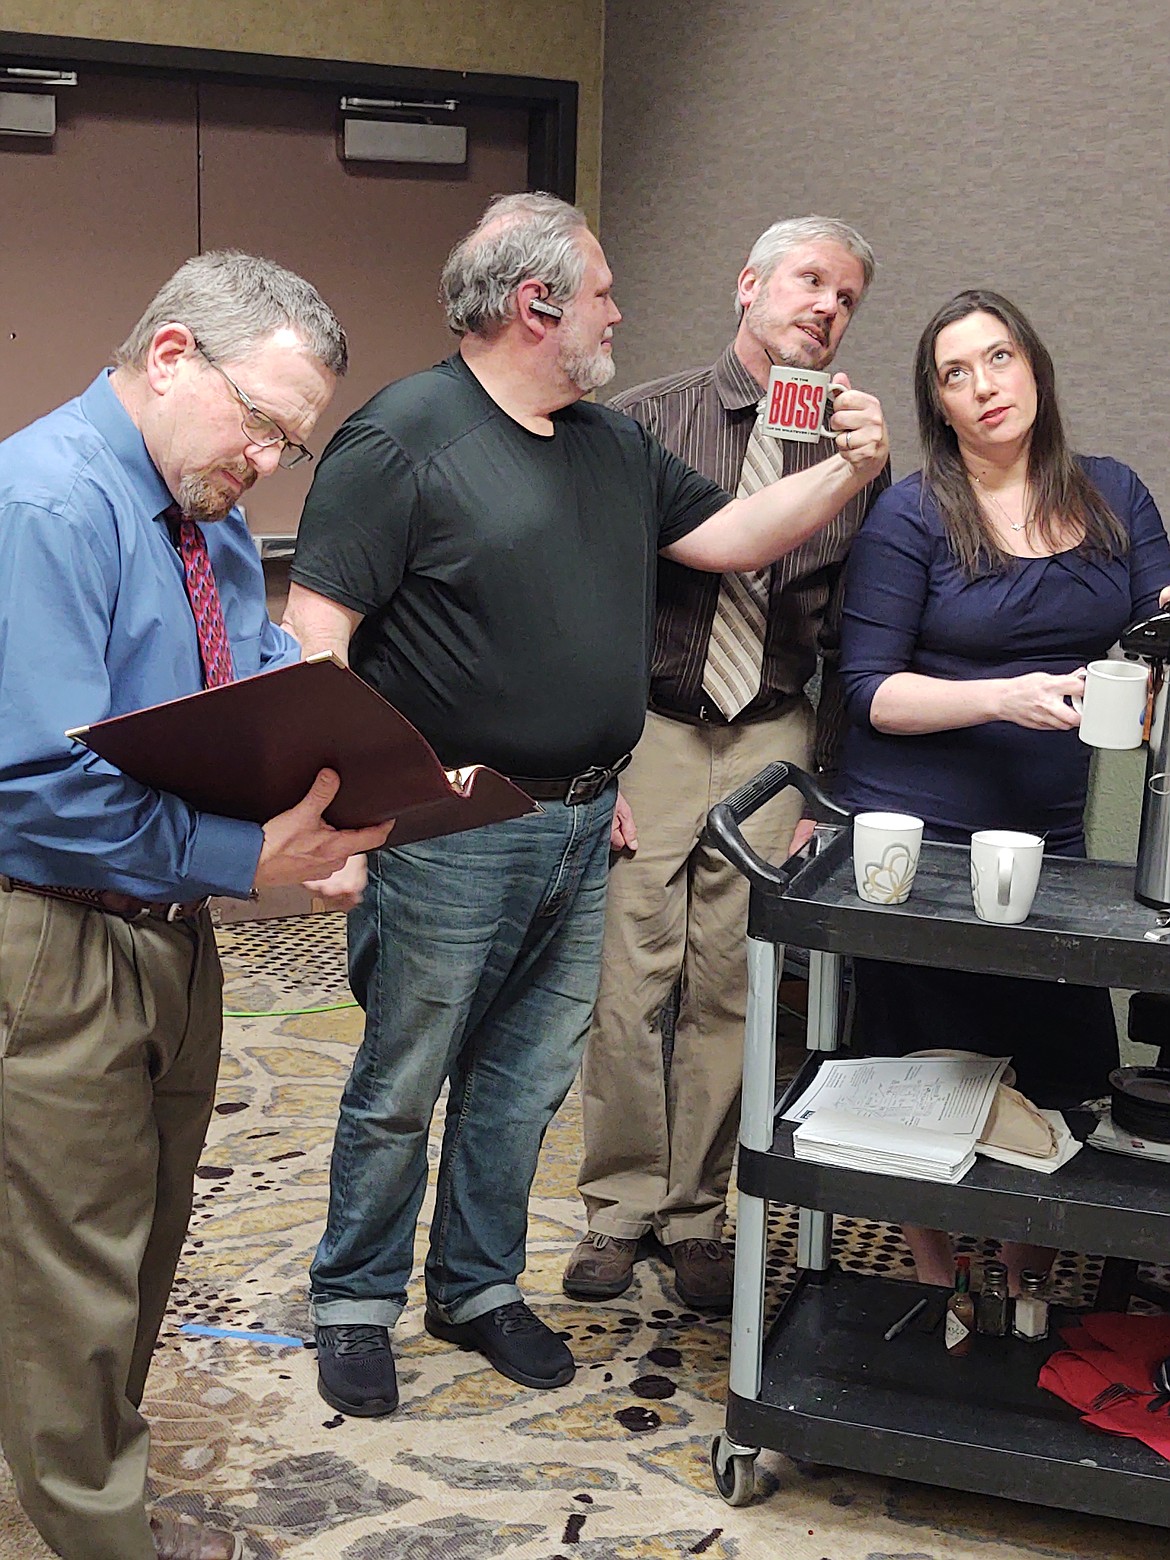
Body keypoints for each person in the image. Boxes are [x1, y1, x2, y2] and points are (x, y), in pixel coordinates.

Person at [283, 191, 888, 1418]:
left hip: (579, 817)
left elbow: (730, 539)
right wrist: (334, 820)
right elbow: (317, 636)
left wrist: (854, 469)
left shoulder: (611, 446)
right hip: (446, 826)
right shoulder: (403, 436)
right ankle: (355, 1299)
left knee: (524, 1077)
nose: (618, 310)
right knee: (409, 1074)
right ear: (536, 304)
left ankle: (476, 1286)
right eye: (602, 292)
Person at [0, 252, 389, 1560]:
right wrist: (249, 859)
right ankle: (97, 1533)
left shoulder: (207, 515)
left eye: (296, 442)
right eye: (263, 424)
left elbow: (253, 688)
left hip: (170, 929)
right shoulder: (46, 502)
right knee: (73, 1272)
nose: (270, 463)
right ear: (170, 356)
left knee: (147, 1231)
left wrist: (357, 787)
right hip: (55, 934)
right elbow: (27, 793)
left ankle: (87, 1467)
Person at [563, 216, 890, 1314]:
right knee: (630, 981)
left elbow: (852, 635)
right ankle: (617, 1205)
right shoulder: (646, 421)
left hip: (772, 732)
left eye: (845, 298)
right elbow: (598, 601)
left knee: (734, 987)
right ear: (748, 284)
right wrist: (599, 755)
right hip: (651, 727)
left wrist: (820, 792)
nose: (825, 307)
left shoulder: (856, 457)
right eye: (808, 282)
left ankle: (704, 1212)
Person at [834, 288, 1170, 1290]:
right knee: (922, 1062)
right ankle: (941, 1285)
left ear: (1035, 368)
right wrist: (1001, 696)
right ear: (937, 405)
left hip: (1053, 838)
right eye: (956, 373)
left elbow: (1158, 610)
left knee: (1061, 1057)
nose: (985, 386)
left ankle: (1024, 1277)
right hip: (923, 839)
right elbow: (873, 695)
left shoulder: (1112, 493)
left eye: (1000, 358)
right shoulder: (912, 513)